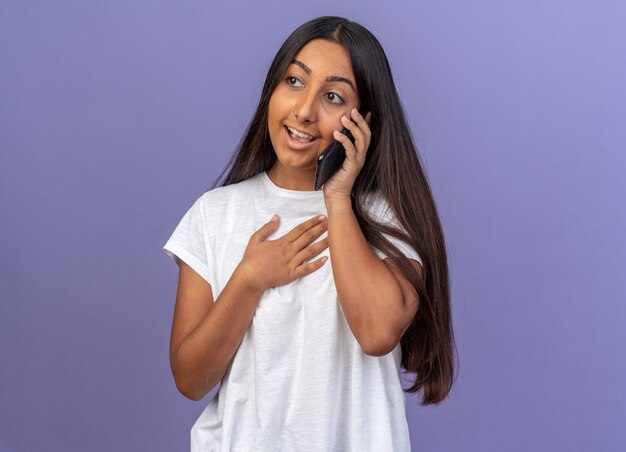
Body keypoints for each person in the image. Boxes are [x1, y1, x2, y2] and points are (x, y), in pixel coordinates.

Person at [163, 15, 456, 452]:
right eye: (294, 82)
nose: (304, 110)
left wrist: (338, 197)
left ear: (364, 120)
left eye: (333, 96)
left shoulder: (385, 216)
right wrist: (249, 279)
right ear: (272, 90)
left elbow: (378, 333)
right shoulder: (215, 214)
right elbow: (191, 379)